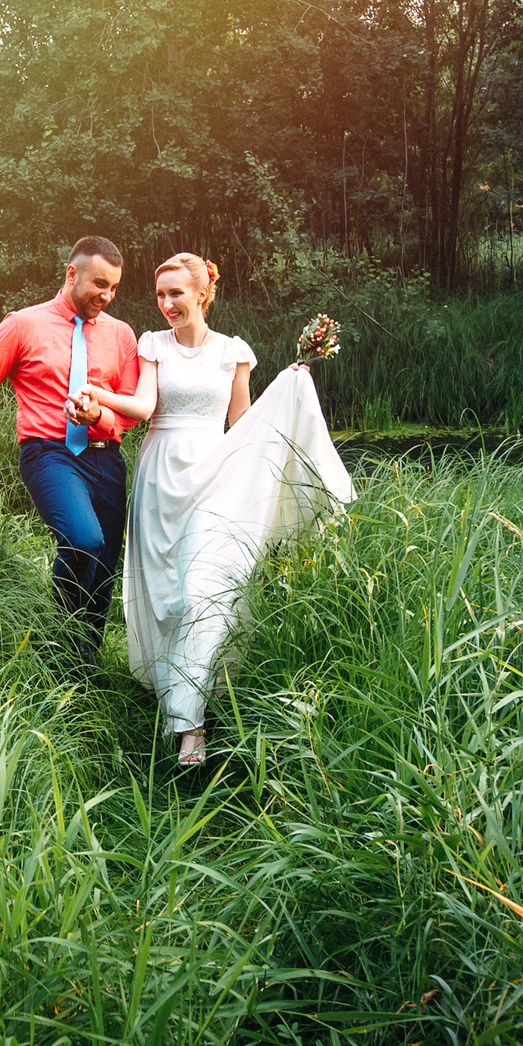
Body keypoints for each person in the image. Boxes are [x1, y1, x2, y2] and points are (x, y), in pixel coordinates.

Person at [76, 253, 354, 764]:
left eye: (176, 294)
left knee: (203, 586)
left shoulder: (233, 352)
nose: (166, 305)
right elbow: (143, 406)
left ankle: (192, 727)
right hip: (160, 475)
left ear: (202, 293)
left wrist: (288, 388)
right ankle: (177, 697)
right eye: (160, 295)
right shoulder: (152, 344)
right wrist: (101, 396)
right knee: (168, 597)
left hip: (213, 471)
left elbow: (242, 420)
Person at [0, 237, 142, 660]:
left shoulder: (121, 334)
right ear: (71, 273)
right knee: (83, 540)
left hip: (107, 458)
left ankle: (83, 663)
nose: (107, 295)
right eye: (99, 283)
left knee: (103, 569)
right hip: (49, 453)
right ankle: (53, 637)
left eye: (114, 287)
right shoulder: (23, 324)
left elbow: (131, 410)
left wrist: (98, 415)